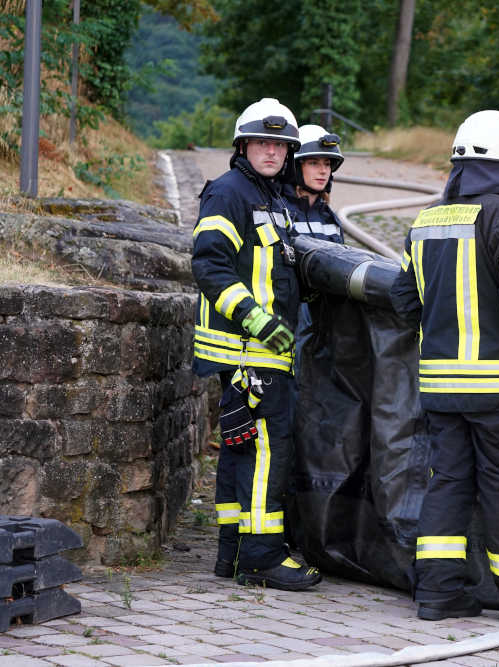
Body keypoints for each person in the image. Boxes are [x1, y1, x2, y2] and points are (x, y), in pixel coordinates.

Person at [389, 109, 499, 623]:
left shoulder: (426, 221)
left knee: (446, 482)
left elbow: (403, 300)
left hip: (441, 388)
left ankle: (440, 595)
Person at [191, 97, 322, 591]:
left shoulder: (272, 199)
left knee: (241, 445)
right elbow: (208, 264)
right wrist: (257, 321)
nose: (272, 151)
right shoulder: (229, 193)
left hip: (259, 352)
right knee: (271, 448)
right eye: (263, 143)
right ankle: (263, 555)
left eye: (280, 145)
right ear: (244, 145)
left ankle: (232, 550)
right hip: (250, 349)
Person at [283, 124, 347, 362]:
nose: (323, 171)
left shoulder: (329, 218)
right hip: (287, 323)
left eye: (327, 164)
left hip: (322, 325)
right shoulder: (280, 211)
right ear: (295, 166)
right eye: (313, 163)